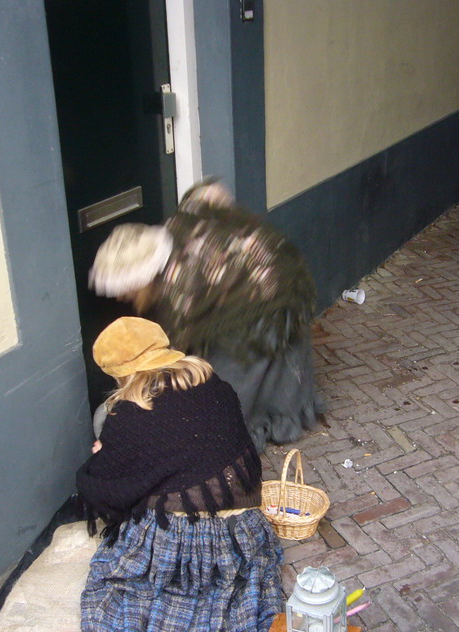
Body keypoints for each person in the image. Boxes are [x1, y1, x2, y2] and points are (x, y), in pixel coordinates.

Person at [76, 316, 283, 632]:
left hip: (183, 542)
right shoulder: (216, 387)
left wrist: (102, 455)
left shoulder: (128, 415)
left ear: (119, 371)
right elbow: (190, 455)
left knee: (122, 581)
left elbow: (113, 485)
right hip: (240, 528)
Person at [90, 180, 324, 453]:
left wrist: (154, 391)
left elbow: (177, 352)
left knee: (240, 371)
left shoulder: (180, 287)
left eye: (126, 292)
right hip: (256, 277)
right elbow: (204, 197)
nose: (121, 299)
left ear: (143, 279)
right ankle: (274, 415)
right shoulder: (168, 239)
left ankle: (246, 427)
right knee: (248, 365)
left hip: (269, 293)